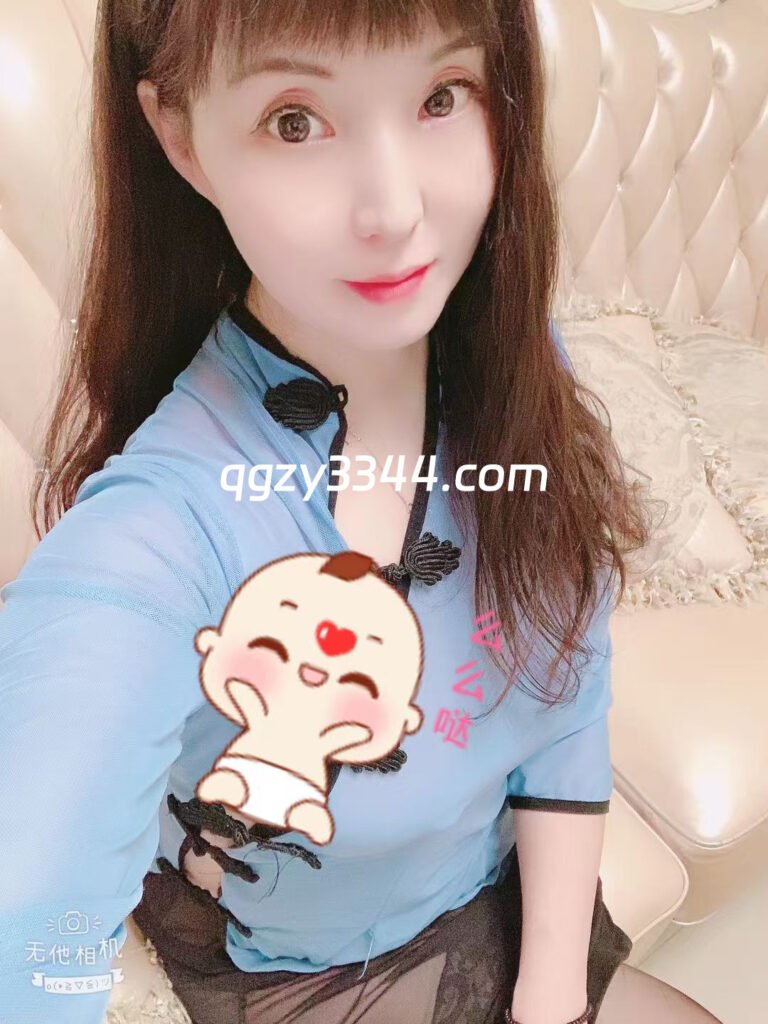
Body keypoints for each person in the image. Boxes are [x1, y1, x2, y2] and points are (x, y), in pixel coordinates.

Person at [0, 1, 725, 1023]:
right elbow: (30, 902)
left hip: (510, 893)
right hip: (317, 971)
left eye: (441, 96)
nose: (395, 209)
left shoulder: (509, 371)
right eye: (295, 120)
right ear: (180, 137)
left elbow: (565, 682)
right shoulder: (164, 524)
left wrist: (553, 991)